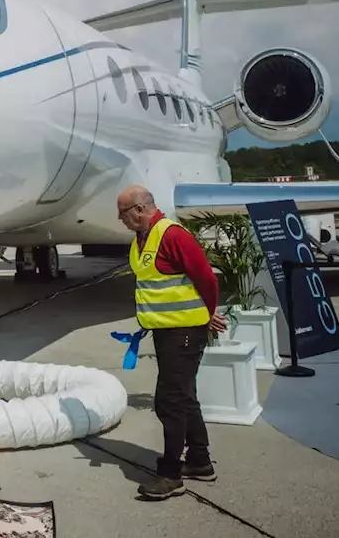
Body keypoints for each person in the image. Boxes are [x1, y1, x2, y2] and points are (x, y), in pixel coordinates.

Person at [117, 185, 228, 500]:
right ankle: (199, 462)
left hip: (185, 332)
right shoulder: (142, 239)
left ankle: (170, 475)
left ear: (139, 210)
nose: (120, 219)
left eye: (123, 212)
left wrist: (207, 314)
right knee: (184, 396)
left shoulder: (173, 234)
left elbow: (206, 278)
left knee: (169, 401)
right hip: (167, 331)